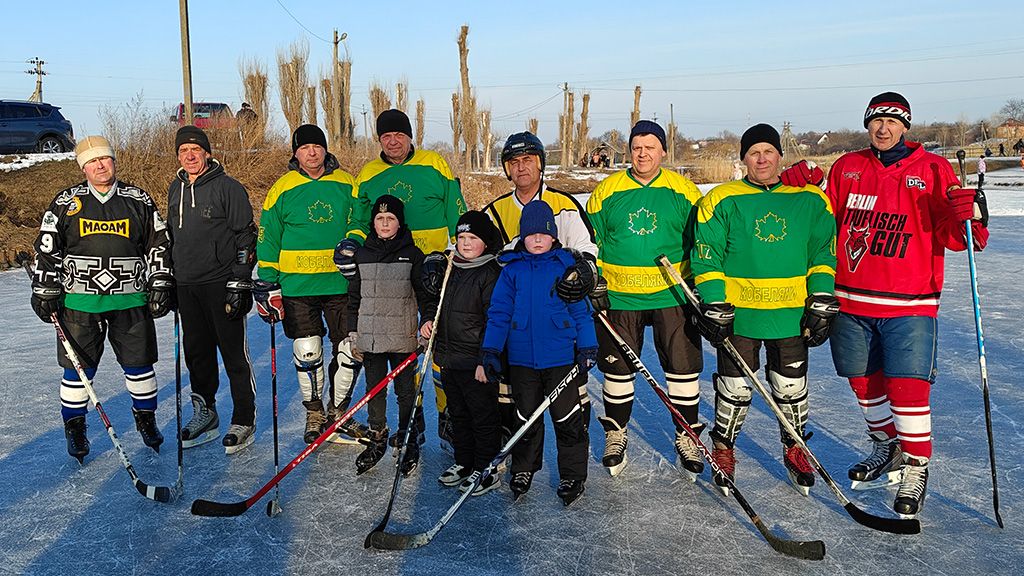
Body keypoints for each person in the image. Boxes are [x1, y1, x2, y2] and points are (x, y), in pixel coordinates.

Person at [780, 92, 990, 517]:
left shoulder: (933, 169)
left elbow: (961, 238)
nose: (883, 127)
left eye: (892, 121)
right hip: (851, 299)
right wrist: (797, 187)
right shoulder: (847, 167)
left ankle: (916, 464)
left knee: (907, 387)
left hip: (910, 302)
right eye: (876, 120)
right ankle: (887, 447)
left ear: (905, 126)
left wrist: (972, 215)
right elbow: (821, 220)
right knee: (863, 382)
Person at [691, 123, 838, 497]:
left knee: (790, 389)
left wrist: (821, 297)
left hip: (790, 314)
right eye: (753, 152)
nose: (761, 159)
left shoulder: (809, 200)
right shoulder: (721, 198)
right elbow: (706, 255)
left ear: (779, 156)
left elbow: (822, 252)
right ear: (743, 159)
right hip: (739, 315)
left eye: (768, 152)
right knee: (735, 389)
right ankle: (723, 450)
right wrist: (713, 301)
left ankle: (795, 447)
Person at [31, 135, 173, 461]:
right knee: (78, 371)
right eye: (92, 161)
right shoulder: (67, 201)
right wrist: (44, 287)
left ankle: (146, 421)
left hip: (130, 299)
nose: (100, 165)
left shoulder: (137, 199)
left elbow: (159, 242)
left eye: (104, 159)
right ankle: (76, 429)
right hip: (80, 302)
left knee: (140, 366)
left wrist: (161, 279)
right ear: (83, 167)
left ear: (113, 161)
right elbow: (48, 246)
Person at [336, 109, 466, 451]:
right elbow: (359, 218)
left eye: (399, 135)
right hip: (392, 273)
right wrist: (351, 242)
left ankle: (447, 415)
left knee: (438, 349)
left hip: (434, 271)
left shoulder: (433, 163)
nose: (393, 141)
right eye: (385, 136)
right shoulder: (369, 173)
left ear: (410, 137)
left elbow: (457, 209)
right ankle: (414, 418)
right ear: (379, 140)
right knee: (407, 350)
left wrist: (461, 248)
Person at [585, 120, 706, 479]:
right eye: (637, 146)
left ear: (663, 151)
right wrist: (597, 281)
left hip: (672, 295)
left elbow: (701, 241)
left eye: (650, 147)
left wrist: (700, 284)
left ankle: (687, 436)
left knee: (682, 371)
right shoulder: (606, 191)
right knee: (617, 372)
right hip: (620, 298)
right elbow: (594, 242)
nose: (642, 153)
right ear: (630, 150)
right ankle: (616, 433)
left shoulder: (685, 191)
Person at [482, 131, 600, 443]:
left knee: (569, 398)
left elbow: (586, 250)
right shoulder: (493, 211)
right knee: (515, 392)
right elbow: (470, 250)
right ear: (507, 169)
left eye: (528, 160)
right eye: (514, 161)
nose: (521, 167)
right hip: (515, 317)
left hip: (556, 318)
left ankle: (574, 452)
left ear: (540, 164)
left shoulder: (564, 204)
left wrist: (584, 274)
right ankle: (516, 452)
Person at [254, 124, 367, 446]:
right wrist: (267, 281)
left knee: (349, 349)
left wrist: (353, 240)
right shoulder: (282, 188)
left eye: (317, 146)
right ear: (295, 153)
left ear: (326, 149)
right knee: (307, 350)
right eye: (305, 148)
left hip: (340, 283)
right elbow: (269, 236)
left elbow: (360, 220)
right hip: (296, 286)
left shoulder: (347, 183)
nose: (312, 152)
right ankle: (315, 411)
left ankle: (339, 412)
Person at [480, 201, 598, 506]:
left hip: (560, 357)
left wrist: (588, 346)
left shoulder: (565, 268)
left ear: (553, 236)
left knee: (568, 418)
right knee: (525, 418)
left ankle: (572, 474)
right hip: (521, 360)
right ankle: (523, 468)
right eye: (530, 234)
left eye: (543, 234)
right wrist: (491, 350)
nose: (536, 239)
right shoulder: (511, 271)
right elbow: (499, 313)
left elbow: (582, 313)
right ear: (522, 236)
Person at [167, 125, 258, 454]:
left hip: (221, 283)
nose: (189, 156)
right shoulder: (174, 189)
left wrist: (240, 279)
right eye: (183, 151)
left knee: (234, 355)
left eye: (195, 150)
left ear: (207, 152)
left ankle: (243, 418)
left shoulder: (227, 187)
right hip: (187, 285)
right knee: (197, 355)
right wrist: (167, 278)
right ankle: (205, 412)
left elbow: (246, 235)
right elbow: (170, 238)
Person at [419, 212, 504, 494]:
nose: (465, 244)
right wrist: (428, 320)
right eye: (462, 238)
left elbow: (496, 320)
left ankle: (485, 468)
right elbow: (436, 302)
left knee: (482, 417)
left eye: (473, 238)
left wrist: (486, 359)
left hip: (476, 362)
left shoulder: (490, 273)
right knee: (458, 414)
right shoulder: (451, 268)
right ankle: (464, 462)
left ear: (485, 242)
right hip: (448, 356)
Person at [346, 195, 430, 476]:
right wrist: (352, 329)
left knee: (406, 392)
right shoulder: (362, 254)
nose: (384, 223)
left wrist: (426, 322)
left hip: (402, 335)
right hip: (370, 337)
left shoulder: (413, 254)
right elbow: (354, 296)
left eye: (390, 219)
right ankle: (377, 435)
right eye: (380, 219)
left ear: (399, 222)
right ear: (373, 222)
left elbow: (424, 293)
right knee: (375, 390)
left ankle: (408, 437)